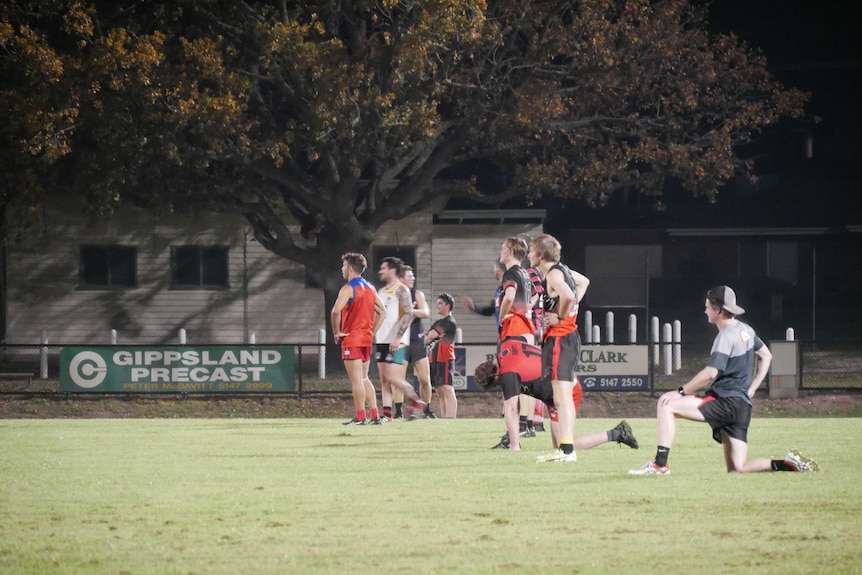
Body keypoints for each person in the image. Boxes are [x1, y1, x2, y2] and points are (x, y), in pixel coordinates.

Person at [629, 286, 820, 475]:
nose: (705, 311)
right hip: (742, 406)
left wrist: (680, 391)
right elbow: (766, 355)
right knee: (737, 468)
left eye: (707, 306)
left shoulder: (725, 337)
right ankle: (788, 464)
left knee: (666, 404)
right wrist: (752, 389)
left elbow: (710, 373)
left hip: (725, 402)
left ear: (717, 310)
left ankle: (660, 465)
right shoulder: (746, 330)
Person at [474, 338, 639, 453]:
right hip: (559, 387)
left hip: (565, 390)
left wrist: (515, 445)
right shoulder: (506, 347)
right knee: (558, 447)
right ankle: (616, 433)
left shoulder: (507, 373)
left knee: (564, 446)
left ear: (495, 376)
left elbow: (511, 410)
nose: (501, 386)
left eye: (496, 384)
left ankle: (617, 434)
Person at [528, 233, 590, 462]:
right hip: (568, 338)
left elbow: (567, 296)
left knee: (562, 397)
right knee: (561, 397)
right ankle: (566, 448)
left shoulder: (553, 274)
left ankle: (567, 451)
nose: (529, 254)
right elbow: (584, 282)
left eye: (531, 250)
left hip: (559, 340)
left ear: (541, 254)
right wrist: (569, 315)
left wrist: (560, 317)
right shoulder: (562, 270)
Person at [330, 253, 386, 425]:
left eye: (344, 265)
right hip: (365, 339)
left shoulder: (348, 288)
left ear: (351, 268)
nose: (342, 269)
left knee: (356, 381)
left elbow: (335, 311)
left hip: (352, 338)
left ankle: (361, 417)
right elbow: (382, 312)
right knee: (364, 377)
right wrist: (371, 332)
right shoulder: (370, 288)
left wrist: (336, 332)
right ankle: (375, 415)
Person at [375, 256, 428, 420]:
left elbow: (408, 314)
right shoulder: (381, 292)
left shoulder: (401, 289)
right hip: (381, 340)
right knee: (384, 380)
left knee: (393, 377)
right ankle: (387, 415)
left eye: (383, 268)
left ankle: (416, 400)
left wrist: (398, 338)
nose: (380, 271)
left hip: (397, 342)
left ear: (392, 270)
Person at [395, 265, 436, 419]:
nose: (413, 278)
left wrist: (410, 311)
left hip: (417, 341)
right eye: (409, 276)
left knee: (425, 379)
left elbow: (425, 312)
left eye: (413, 275)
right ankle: (398, 411)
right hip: (400, 343)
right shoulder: (395, 295)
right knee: (399, 379)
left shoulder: (417, 294)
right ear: (400, 279)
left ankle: (426, 409)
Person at [425, 293, 458, 418]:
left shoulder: (448, 322)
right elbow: (428, 336)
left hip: (445, 358)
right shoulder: (439, 322)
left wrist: (432, 336)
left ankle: (451, 417)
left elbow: (431, 336)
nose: (437, 306)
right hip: (434, 358)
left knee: (447, 388)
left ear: (448, 305)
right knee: (439, 390)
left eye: (440, 303)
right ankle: (445, 418)